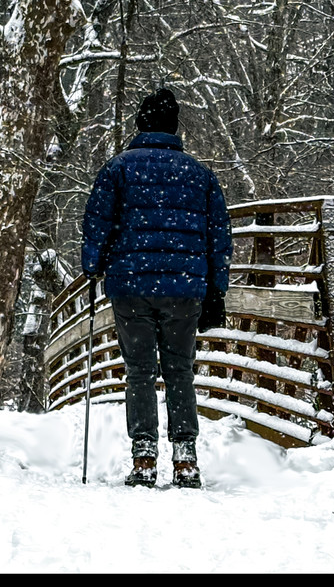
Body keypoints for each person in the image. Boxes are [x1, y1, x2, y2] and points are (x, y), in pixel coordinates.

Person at [81, 87, 232, 488]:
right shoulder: (200, 175)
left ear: (141, 125)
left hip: (131, 282)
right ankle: (185, 458)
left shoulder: (119, 169)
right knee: (180, 370)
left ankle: (144, 456)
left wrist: (92, 265)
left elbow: (97, 221)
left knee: (140, 371)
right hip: (184, 287)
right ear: (173, 127)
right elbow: (219, 234)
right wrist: (217, 287)